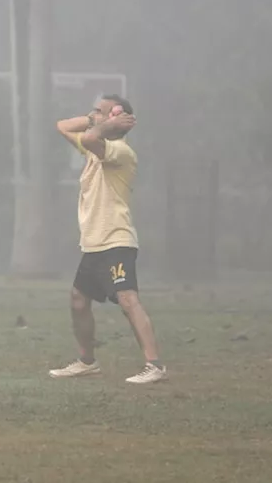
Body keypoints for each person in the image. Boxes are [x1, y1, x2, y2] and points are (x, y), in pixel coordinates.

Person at [48, 94, 166, 385]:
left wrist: (105, 125)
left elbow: (90, 140)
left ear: (117, 120)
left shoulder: (120, 151)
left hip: (116, 240)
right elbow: (62, 126)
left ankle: (155, 365)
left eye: (100, 111)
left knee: (127, 299)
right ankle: (87, 361)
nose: (93, 116)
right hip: (94, 243)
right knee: (78, 300)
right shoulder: (94, 148)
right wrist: (95, 118)